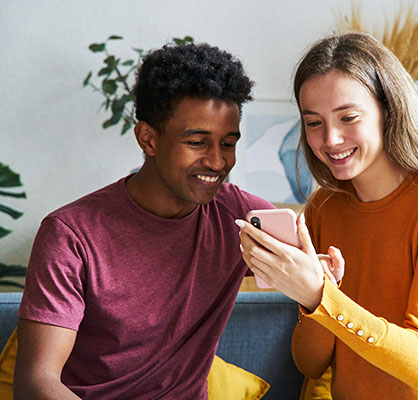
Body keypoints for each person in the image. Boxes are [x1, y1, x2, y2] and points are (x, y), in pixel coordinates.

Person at [237, 31, 418, 399]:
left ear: (388, 111)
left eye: (348, 117)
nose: (330, 139)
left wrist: (323, 296)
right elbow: (310, 364)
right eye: (314, 122)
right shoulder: (324, 208)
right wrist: (314, 300)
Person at [14, 42, 274, 399]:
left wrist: (321, 273)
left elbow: (319, 273)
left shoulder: (242, 218)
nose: (217, 162)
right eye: (198, 142)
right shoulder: (71, 235)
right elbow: (36, 381)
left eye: (228, 144)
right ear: (148, 139)